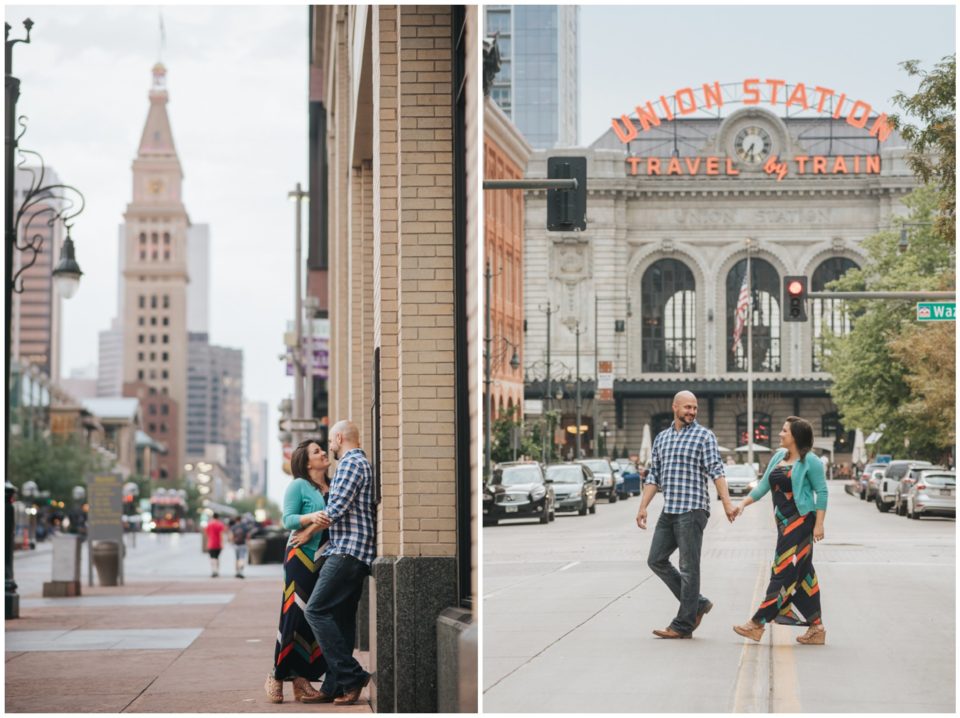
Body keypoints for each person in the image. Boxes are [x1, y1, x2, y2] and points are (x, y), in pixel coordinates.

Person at [635, 391, 736, 638]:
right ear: (675, 407)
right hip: (670, 509)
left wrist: (727, 503)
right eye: (687, 407)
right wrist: (643, 506)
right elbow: (654, 475)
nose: (692, 411)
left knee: (689, 568)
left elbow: (716, 470)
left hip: (693, 509)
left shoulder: (704, 436)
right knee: (656, 559)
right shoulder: (661, 438)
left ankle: (683, 624)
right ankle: (698, 603)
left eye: (695, 408)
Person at [732, 416, 828, 645]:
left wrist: (819, 524)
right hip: (783, 523)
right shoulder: (778, 456)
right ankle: (817, 628)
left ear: (795, 436)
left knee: (782, 570)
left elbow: (822, 492)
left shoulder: (811, 461)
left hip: (802, 522)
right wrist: (743, 504)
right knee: (803, 574)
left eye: (784, 430)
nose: (780, 434)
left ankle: (757, 623)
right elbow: (764, 485)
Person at [303, 419, 375, 706]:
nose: (329, 447)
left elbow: (335, 508)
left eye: (330, 442)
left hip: (348, 551)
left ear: (340, 438)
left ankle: (352, 675)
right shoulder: (359, 463)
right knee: (341, 619)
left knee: (316, 611)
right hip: (354, 551)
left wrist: (307, 530)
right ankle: (334, 684)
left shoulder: (350, 463)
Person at [264, 439, 330, 704]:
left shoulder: (333, 485)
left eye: (322, 449)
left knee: (311, 619)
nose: (323, 453)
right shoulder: (299, 486)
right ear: (306, 461)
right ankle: (276, 675)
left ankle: (302, 680)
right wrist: (311, 518)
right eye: (317, 451)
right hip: (300, 556)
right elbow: (288, 520)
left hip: (324, 560)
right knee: (293, 615)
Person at [205, 513, 227, 578]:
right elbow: (221, 534)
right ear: (218, 517)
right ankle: (217, 571)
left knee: (212, 557)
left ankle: (213, 570)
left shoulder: (209, 524)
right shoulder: (220, 524)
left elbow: (207, 534)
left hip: (211, 543)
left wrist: (207, 543)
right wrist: (222, 543)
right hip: (218, 544)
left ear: (213, 517)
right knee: (217, 557)